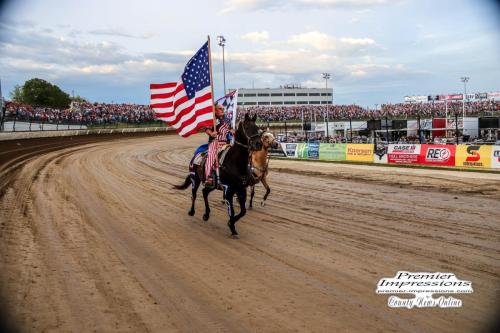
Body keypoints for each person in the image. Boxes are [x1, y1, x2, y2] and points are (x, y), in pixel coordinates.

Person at [204, 103, 233, 187]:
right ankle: (208, 177)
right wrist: (211, 133)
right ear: (215, 110)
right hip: (215, 142)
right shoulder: (212, 119)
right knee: (211, 156)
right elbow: (207, 129)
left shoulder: (227, 119)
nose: (222, 110)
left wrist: (233, 131)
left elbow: (231, 129)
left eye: (223, 109)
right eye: (220, 109)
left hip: (226, 143)